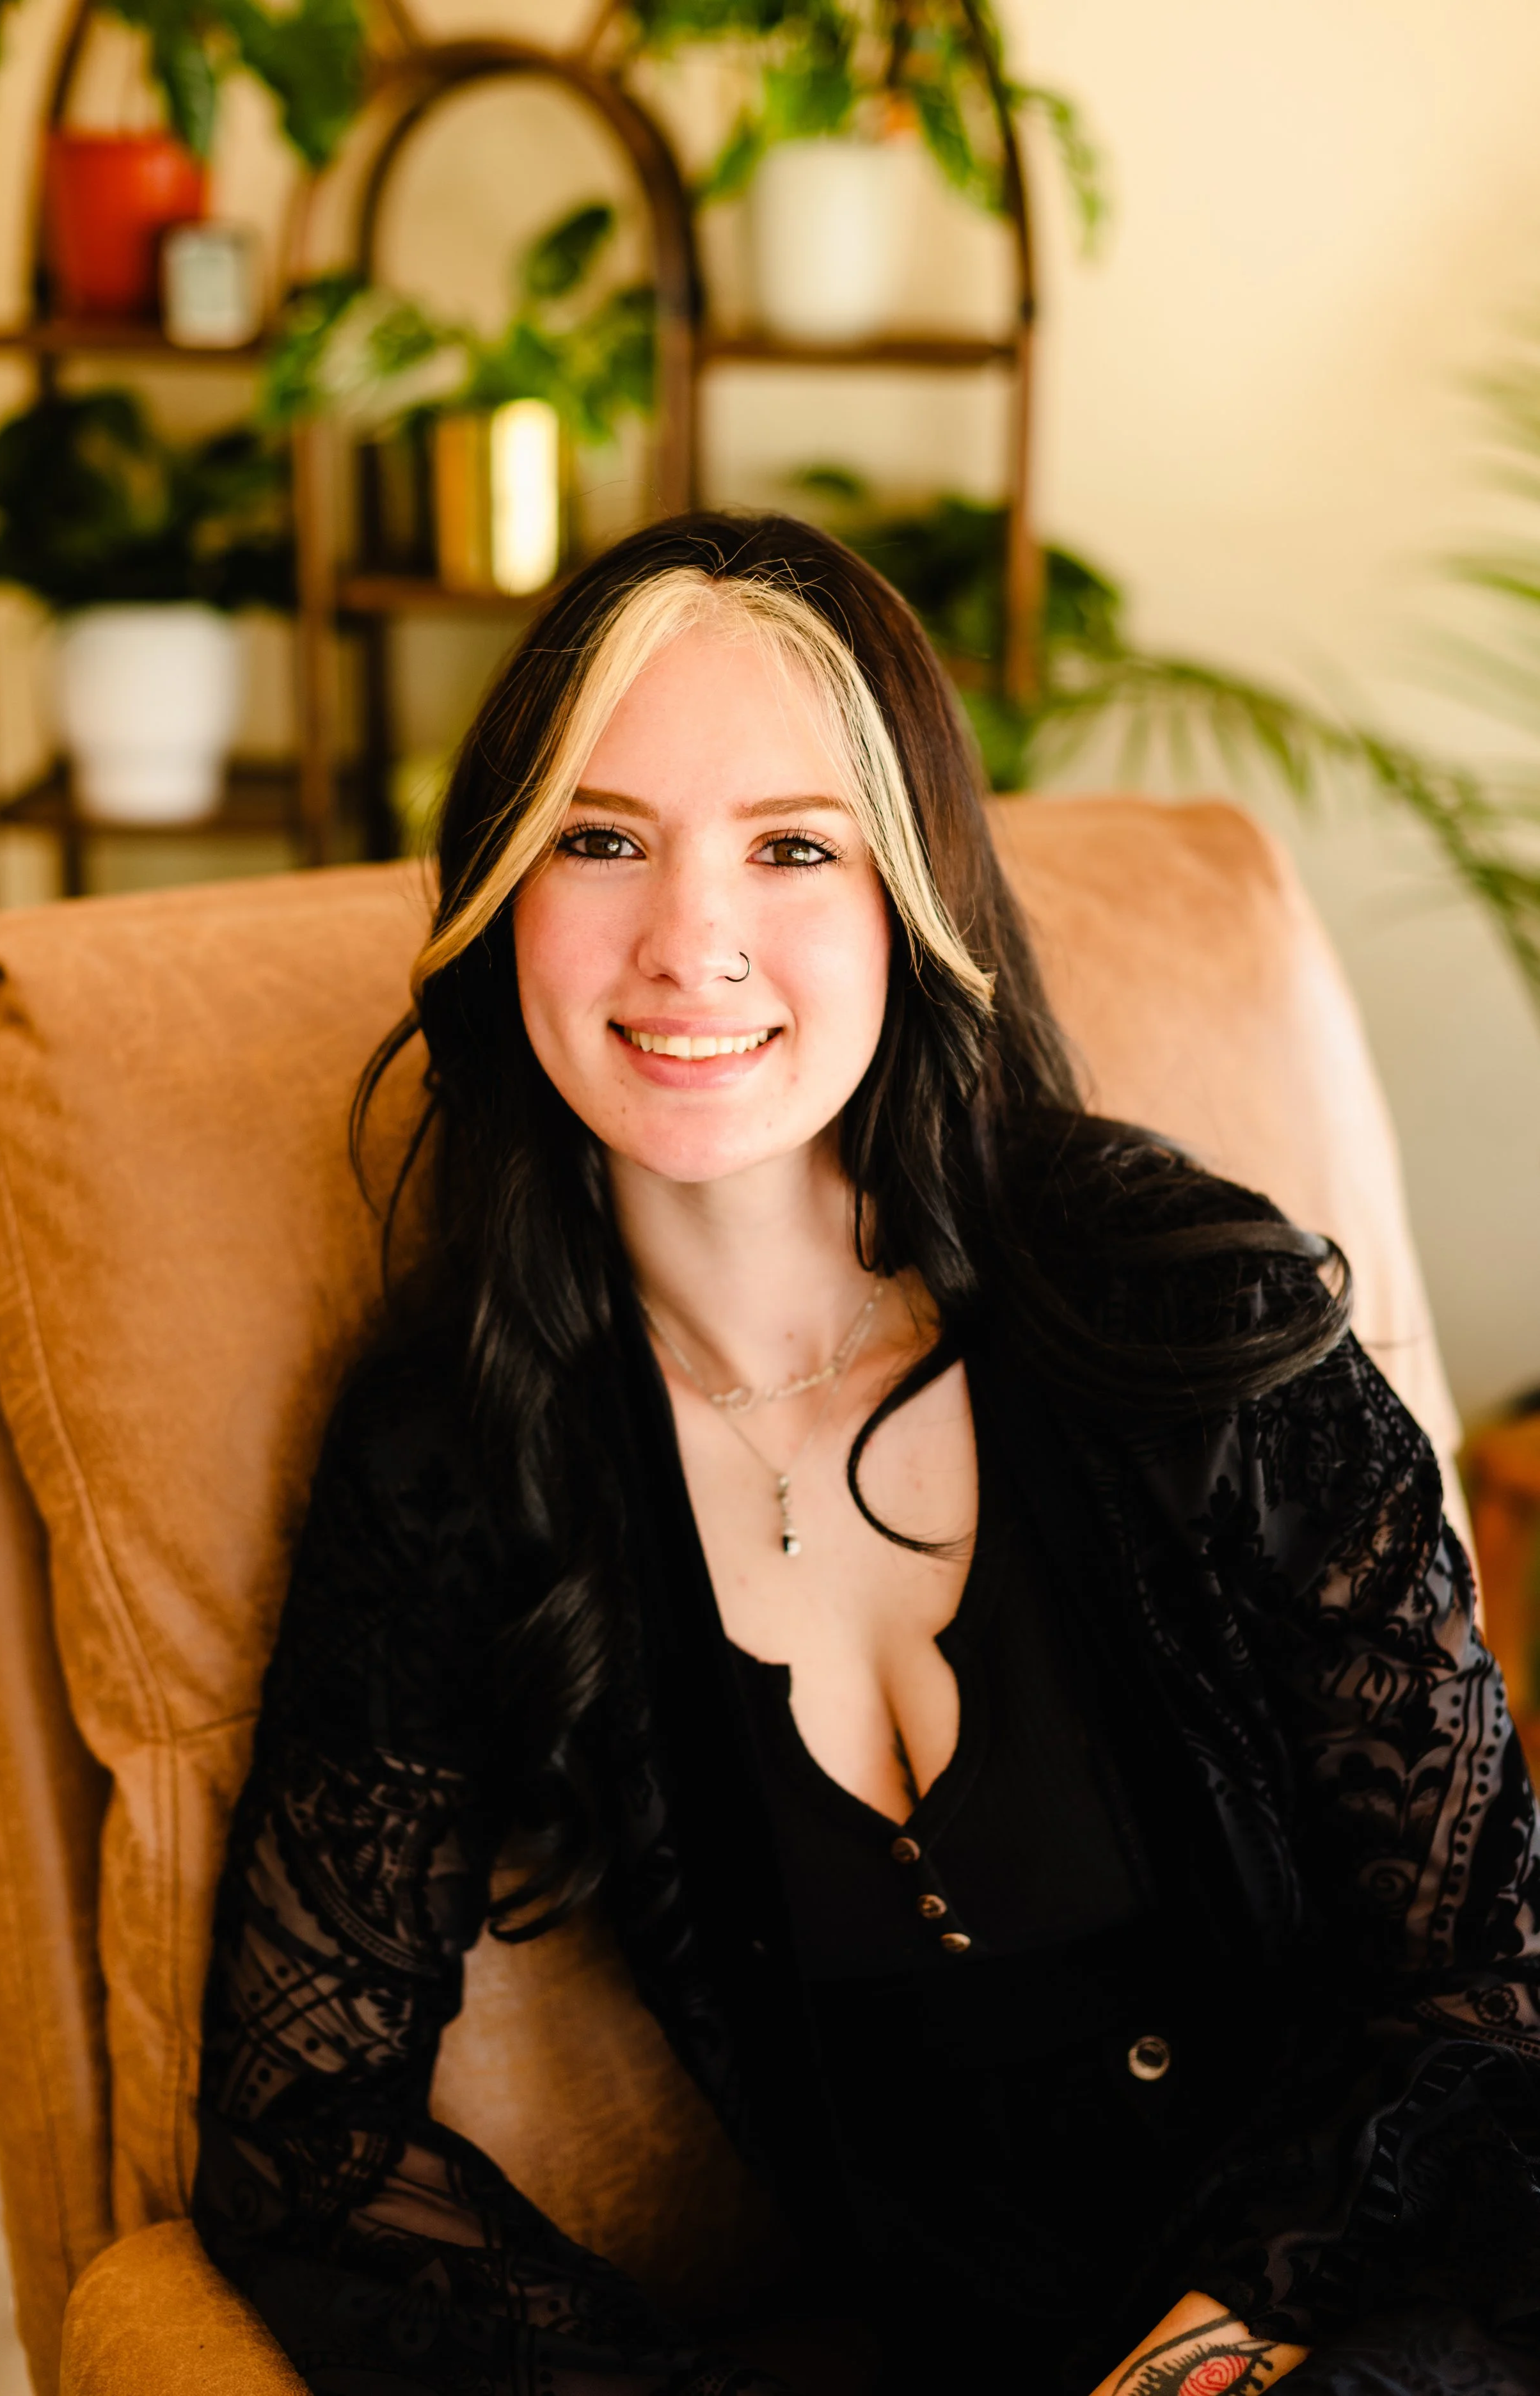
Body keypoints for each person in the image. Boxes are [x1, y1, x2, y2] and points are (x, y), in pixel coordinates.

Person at [193, 512, 1540, 2396]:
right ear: (500, 892)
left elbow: (1482, 1988)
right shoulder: (461, 1454)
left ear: (913, 903)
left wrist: (1212, 2357)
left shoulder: (1191, 1319)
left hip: (1419, 2298)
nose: (692, 944)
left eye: (793, 847)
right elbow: (298, 2140)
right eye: (600, 839)